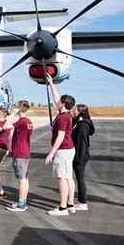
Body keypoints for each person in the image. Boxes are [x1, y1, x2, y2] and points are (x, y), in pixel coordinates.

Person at [45, 73, 76, 216]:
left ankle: (62, 208)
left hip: (63, 151)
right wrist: (52, 83)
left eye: (59, 101)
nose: (56, 102)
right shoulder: (66, 114)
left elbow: (60, 136)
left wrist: (51, 153)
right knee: (68, 177)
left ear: (63, 104)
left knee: (62, 178)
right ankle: (70, 204)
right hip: (69, 149)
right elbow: (56, 98)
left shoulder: (63, 118)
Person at [4, 100, 33, 212]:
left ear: (19, 109)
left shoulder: (22, 122)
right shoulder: (29, 121)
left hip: (19, 153)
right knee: (25, 178)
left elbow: (6, 126)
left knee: (21, 179)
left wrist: (12, 114)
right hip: (25, 151)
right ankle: (23, 201)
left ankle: (21, 204)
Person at [72, 104, 95, 211]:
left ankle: (83, 203)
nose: (73, 111)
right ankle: (80, 200)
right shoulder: (79, 123)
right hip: (79, 155)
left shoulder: (82, 126)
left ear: (80, 112)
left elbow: (82, 144)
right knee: (79, 178)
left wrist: (78, 159)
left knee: (81, 179)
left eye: (75, 110)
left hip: (80, 156)